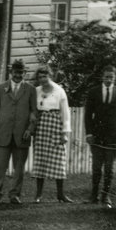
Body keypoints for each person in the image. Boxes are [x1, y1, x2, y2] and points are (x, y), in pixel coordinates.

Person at [0, 59, 38, 204]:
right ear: (11, 72)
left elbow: (34, 113)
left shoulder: (30, 90)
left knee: (19, 169)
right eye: (15, 72)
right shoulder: (1, 89)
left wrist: (30, 129)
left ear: (25, 73)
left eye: (21, 73)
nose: (18, 75)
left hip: (22, 135)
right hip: (2, 134)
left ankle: (14, 195)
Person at [84, 65, 116, 207]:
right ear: (102, 77)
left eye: (111, 77)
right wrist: (89, 133)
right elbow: (87, 115)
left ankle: (106, 195)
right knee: (96, 167)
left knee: (109, 168)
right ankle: (93, 195)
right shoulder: (93, 92)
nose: (108, 79)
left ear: (115, 78)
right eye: (106, 77)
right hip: (96, 137)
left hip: (112, 138)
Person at [31, 66, 74, 203]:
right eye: (40, 77)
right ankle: (38, 195)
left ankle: (60, 194)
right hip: (41, 126)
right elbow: (33, 109)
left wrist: (65, 132)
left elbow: (65, 113)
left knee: (58, 160)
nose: (42, 80)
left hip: (56, 125)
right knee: (40, 160)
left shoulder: (59, 91)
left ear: (50, 76)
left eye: (45, 76)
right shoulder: (36, 91)